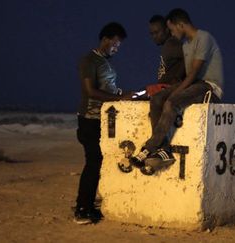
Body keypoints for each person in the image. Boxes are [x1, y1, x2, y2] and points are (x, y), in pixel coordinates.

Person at [130, 8, 224, 172]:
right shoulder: (186, 45)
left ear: (180, 25)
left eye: (172, 29)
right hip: (194, 84)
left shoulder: (204, 38)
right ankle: (164, 151)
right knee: (157, 98)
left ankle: (149, 146)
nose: (172, 33)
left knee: (172, 101)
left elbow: (194, 73)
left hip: (209, 86)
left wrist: (174, 92)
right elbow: (186, 74)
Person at [74, 22, 133, 224]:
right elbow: (90, 91)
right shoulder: (89, 60)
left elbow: (108, 89)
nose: (117, 48)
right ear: (105, 39)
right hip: (89, 120)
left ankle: (89, 205)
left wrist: (123, 95)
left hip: (103, 120)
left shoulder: (106, 63)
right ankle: (82, 209)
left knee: (99, 162)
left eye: (119, 45)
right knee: (93, 162)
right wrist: (119, 98)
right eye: (115, 44)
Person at [146, 14, 185, 96]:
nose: (154, 36)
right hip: (163, 89)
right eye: (152, 34)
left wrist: (177, 77)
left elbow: (188, 57)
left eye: (157, 32)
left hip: (170, 91)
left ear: (167, 30)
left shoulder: (172, 43)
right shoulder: (168, 45)